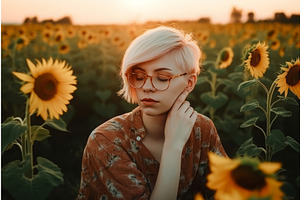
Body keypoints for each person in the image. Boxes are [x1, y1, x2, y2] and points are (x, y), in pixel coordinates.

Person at [77, 26, 227, 200]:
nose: (147, 87)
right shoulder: (106, 140)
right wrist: (173, 146)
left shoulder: (202, 129)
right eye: (139, 77)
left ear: (189, 83)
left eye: (162, 78)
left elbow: (226, 192)